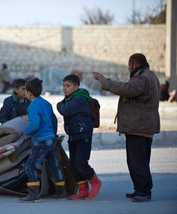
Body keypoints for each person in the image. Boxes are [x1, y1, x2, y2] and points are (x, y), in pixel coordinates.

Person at [92, 53, 160, 202]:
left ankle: (143, 192)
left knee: (138, 161)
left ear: (135, 64)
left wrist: (105, 82)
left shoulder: (142, 77)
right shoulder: (149, 75)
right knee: (137, 160)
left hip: (139, 126)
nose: (128, 68)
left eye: (129, 65)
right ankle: (140, 189)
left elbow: (128, 89)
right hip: (140, 125)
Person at [20, 78, 67, 203]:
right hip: (51, 139)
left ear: (29, 93)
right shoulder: (46, 103)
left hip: (40, 141)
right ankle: (61, 192)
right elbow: (54, 120)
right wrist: (53, 133)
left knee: (30, 166)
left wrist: (25, 132)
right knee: (54, 165)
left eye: (25, 90)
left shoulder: (32, 106)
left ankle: (33, 194)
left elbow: (34, 124)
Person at [56, 74, 102, 200]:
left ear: (76, 87)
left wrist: (60, 104)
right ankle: (83, 189)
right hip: (74, 134)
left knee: (80, 162)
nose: (65, 88)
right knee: (73, 164)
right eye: (64, 85)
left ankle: (95, 182)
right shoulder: (70, 98)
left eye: (68, 86)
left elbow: (64, 110)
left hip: (83, 134)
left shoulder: (79, 99)